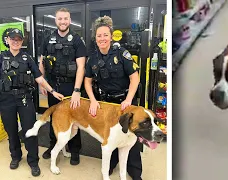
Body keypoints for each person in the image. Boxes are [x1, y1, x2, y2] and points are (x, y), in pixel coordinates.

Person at [84, 16, 142, 180]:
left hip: (125, 101)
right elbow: (87, 82)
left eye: (105, 35)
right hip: (107, 104)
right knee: (111, 136)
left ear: (110, 36)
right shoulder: (93, 59)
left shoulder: (122, 54)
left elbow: (135, 78)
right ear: (95, 39)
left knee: (131, 136)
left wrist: (129, 99)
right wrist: (93, 100)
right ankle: (112, 164)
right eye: (99, 36)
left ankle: (135, 171)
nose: (102, 38)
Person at [0, 28, 64, 176]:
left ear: (22, 42)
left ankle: (33, 161)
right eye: (13, 39)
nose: (16, 42)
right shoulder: (2, 57)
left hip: (25, 99)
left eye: (19, 39)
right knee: (11, 130)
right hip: (6, 99)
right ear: (7, 40)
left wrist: (52, 91)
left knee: (30, 131)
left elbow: (39, 78)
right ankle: (15, 157)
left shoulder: (27, 58)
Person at [38, 7, 87, 165]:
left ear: (70, 20)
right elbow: (42, 62)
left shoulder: (77, 40)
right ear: (56, 20)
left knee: (74, 118)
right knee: (54, 117)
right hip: (53, 86)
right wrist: (42, 83)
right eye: (60, 19)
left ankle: (74, 150)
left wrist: (77, 91)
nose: (63, 21)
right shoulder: (48, 39)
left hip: (70, 87)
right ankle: (53, 146)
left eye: (66, 18)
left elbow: (81, 67)